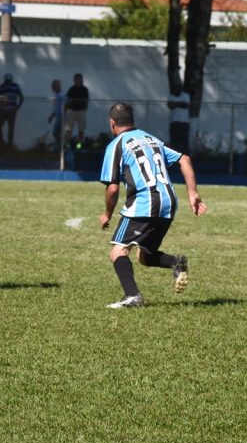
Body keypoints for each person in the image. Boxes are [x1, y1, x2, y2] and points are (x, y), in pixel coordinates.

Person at [98, 102, 207, 308]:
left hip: (145, 201)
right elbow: (185, 159)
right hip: (168, 201)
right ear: (133, 121)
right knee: (145, 256)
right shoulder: (151, 139)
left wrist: (107, 213)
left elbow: (112, 189)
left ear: (112, 124)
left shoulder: (116, 145)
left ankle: (132, 296)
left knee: (118, 252)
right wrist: (193, 193)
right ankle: (176, 262)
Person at [0, 73, 24, 148]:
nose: (8, 83)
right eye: (7, 81)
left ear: (11, 80)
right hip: (3, 111)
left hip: (12, 111)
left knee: (10, 127)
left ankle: (10, 144)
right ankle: (1, 143)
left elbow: (21, 97)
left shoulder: (15, 86)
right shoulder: (2, 86)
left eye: (9, 81)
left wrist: (18, 107)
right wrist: (2, 102)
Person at [64, 73, 90, 148]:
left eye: (79, 79)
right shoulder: (72, 89)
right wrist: (65, 110)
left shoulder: (84, 89)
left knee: (81, 128)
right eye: (76, 79)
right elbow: (67, 100)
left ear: (81, 80)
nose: (77, 81)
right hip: (72, 110)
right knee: (68, 128)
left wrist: (85, 110)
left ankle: (79, 144)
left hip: (81, 111)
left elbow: (86, 100)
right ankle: (67, 143)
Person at [167, 86, 191, 152]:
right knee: (174, 141)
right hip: (174, 122)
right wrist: (181, 103)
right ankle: (175, 157)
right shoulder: (171, 96)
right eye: (175, 88)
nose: (176, 89)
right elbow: (170, 105)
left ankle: (186, 156)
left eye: (178, 88)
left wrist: (175, 104)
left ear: (181, 89)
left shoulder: (186, 95)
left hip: (184, 122)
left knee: (184, 141)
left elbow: (186, 105)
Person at [47, 79, 64, 150]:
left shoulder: (61, 95)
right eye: (53, 86)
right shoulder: (56, 95)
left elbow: (65, 105)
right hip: (58, 116)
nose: (53, 88)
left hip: (61, 117)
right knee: (56, 133)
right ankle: (59, 147)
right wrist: (51, 116)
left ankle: (60, 147)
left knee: (56, 133)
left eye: (54, 86)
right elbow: (56, 108)